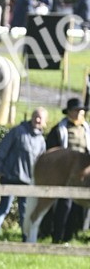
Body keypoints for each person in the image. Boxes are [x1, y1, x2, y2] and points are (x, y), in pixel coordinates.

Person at [0, 108, 48, 241]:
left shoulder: (41, 141)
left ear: (44, 121)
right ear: (31, 117)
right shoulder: (18, 131)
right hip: (10, 178)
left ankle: (26, 239)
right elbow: (2, 151)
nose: (37, 120)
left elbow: (41, 164)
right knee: (3, 209)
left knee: (25, 212)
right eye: (35, 116)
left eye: (40, 118)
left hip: (28, 182)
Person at [44, 97, 90, 243]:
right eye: (76, 110)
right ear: (69, 112)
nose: (79, 114)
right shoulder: (59, 129)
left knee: (77, 207)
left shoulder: (86, 129)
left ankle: (69, 237)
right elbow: (51, 151)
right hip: (65, 172)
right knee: (64, 205)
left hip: (83, 174)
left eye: (81, 111)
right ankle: (57, 236)